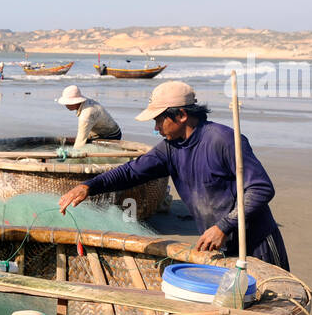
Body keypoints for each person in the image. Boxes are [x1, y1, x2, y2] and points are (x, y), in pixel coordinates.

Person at [58, 81, 289, 268]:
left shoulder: (223, 139)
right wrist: (89, 186)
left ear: (181, 115)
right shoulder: (170, 148)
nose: (156, 127)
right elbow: (131, 172)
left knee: (276, 309)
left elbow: (261, 188)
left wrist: (223, 226)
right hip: (218, 245)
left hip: (257, 241)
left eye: (159, 119)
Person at [57, 84, 121, 149]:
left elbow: (80, 142)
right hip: (99, 131)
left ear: (75, 102)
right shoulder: (85, 103)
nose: (65, 105)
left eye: (67, 103)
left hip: (111, 135)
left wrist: (73, 154)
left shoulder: (86, 115)